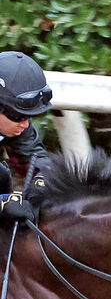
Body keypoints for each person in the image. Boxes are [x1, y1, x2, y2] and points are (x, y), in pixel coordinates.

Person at [0, 51, 53, 223]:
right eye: (18, 115)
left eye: (29, 116)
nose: (25, 124)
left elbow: (33, 153)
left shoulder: (18, 125)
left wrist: (43, 174)